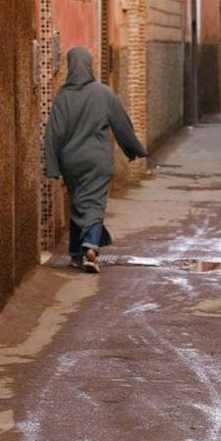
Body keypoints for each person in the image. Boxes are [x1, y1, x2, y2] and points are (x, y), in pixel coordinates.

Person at [44, 47, 148, 273]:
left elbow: (53, 133)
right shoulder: (104, 93)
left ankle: (75, 254)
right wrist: (135, 149)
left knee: (78, 202)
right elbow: (122, 124)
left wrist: (52, 166)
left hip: (70, 162)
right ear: (89, 66)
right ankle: (91, 248)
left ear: (70, 66)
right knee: (93, 204)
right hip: (98, 161)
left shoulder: (62, 97)